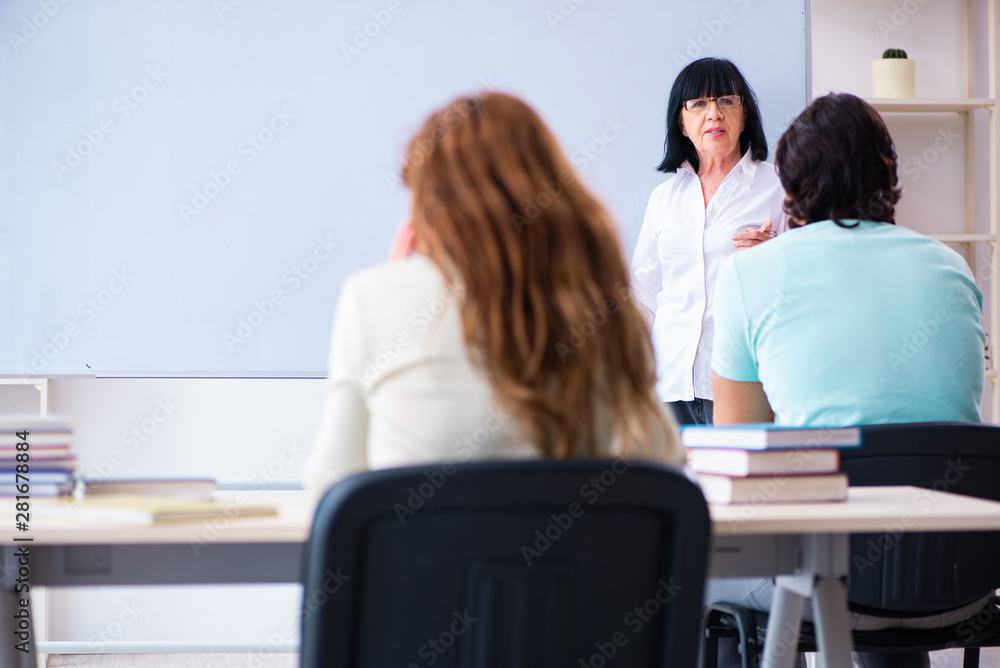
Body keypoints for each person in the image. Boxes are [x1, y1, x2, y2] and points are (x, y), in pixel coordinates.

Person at [708, 93, 986, 668]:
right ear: (887, 173)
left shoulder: (748, 274)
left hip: (826, 587)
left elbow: (738, 450)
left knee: (699, 568)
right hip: (962, 582)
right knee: (884, 554)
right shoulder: (950, 267)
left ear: (791, 186)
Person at [304, 92, 682, 492]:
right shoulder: (605, 305)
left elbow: (331, 481)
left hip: (431, 555)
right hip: (576, 553)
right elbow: (664, 465)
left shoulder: (371, 298)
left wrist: (396, 288)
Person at [631, 57, 787, 426]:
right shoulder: (664, 199)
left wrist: (776, 257)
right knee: (676, 486)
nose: (714, 113)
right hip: (669, 386)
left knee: (742, 485)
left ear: (744, 115)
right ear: (681, 124)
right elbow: (644, 296)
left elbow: (812, 283)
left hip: (743, 383)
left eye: (726, 101)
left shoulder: (781, 188)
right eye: (698, 104)